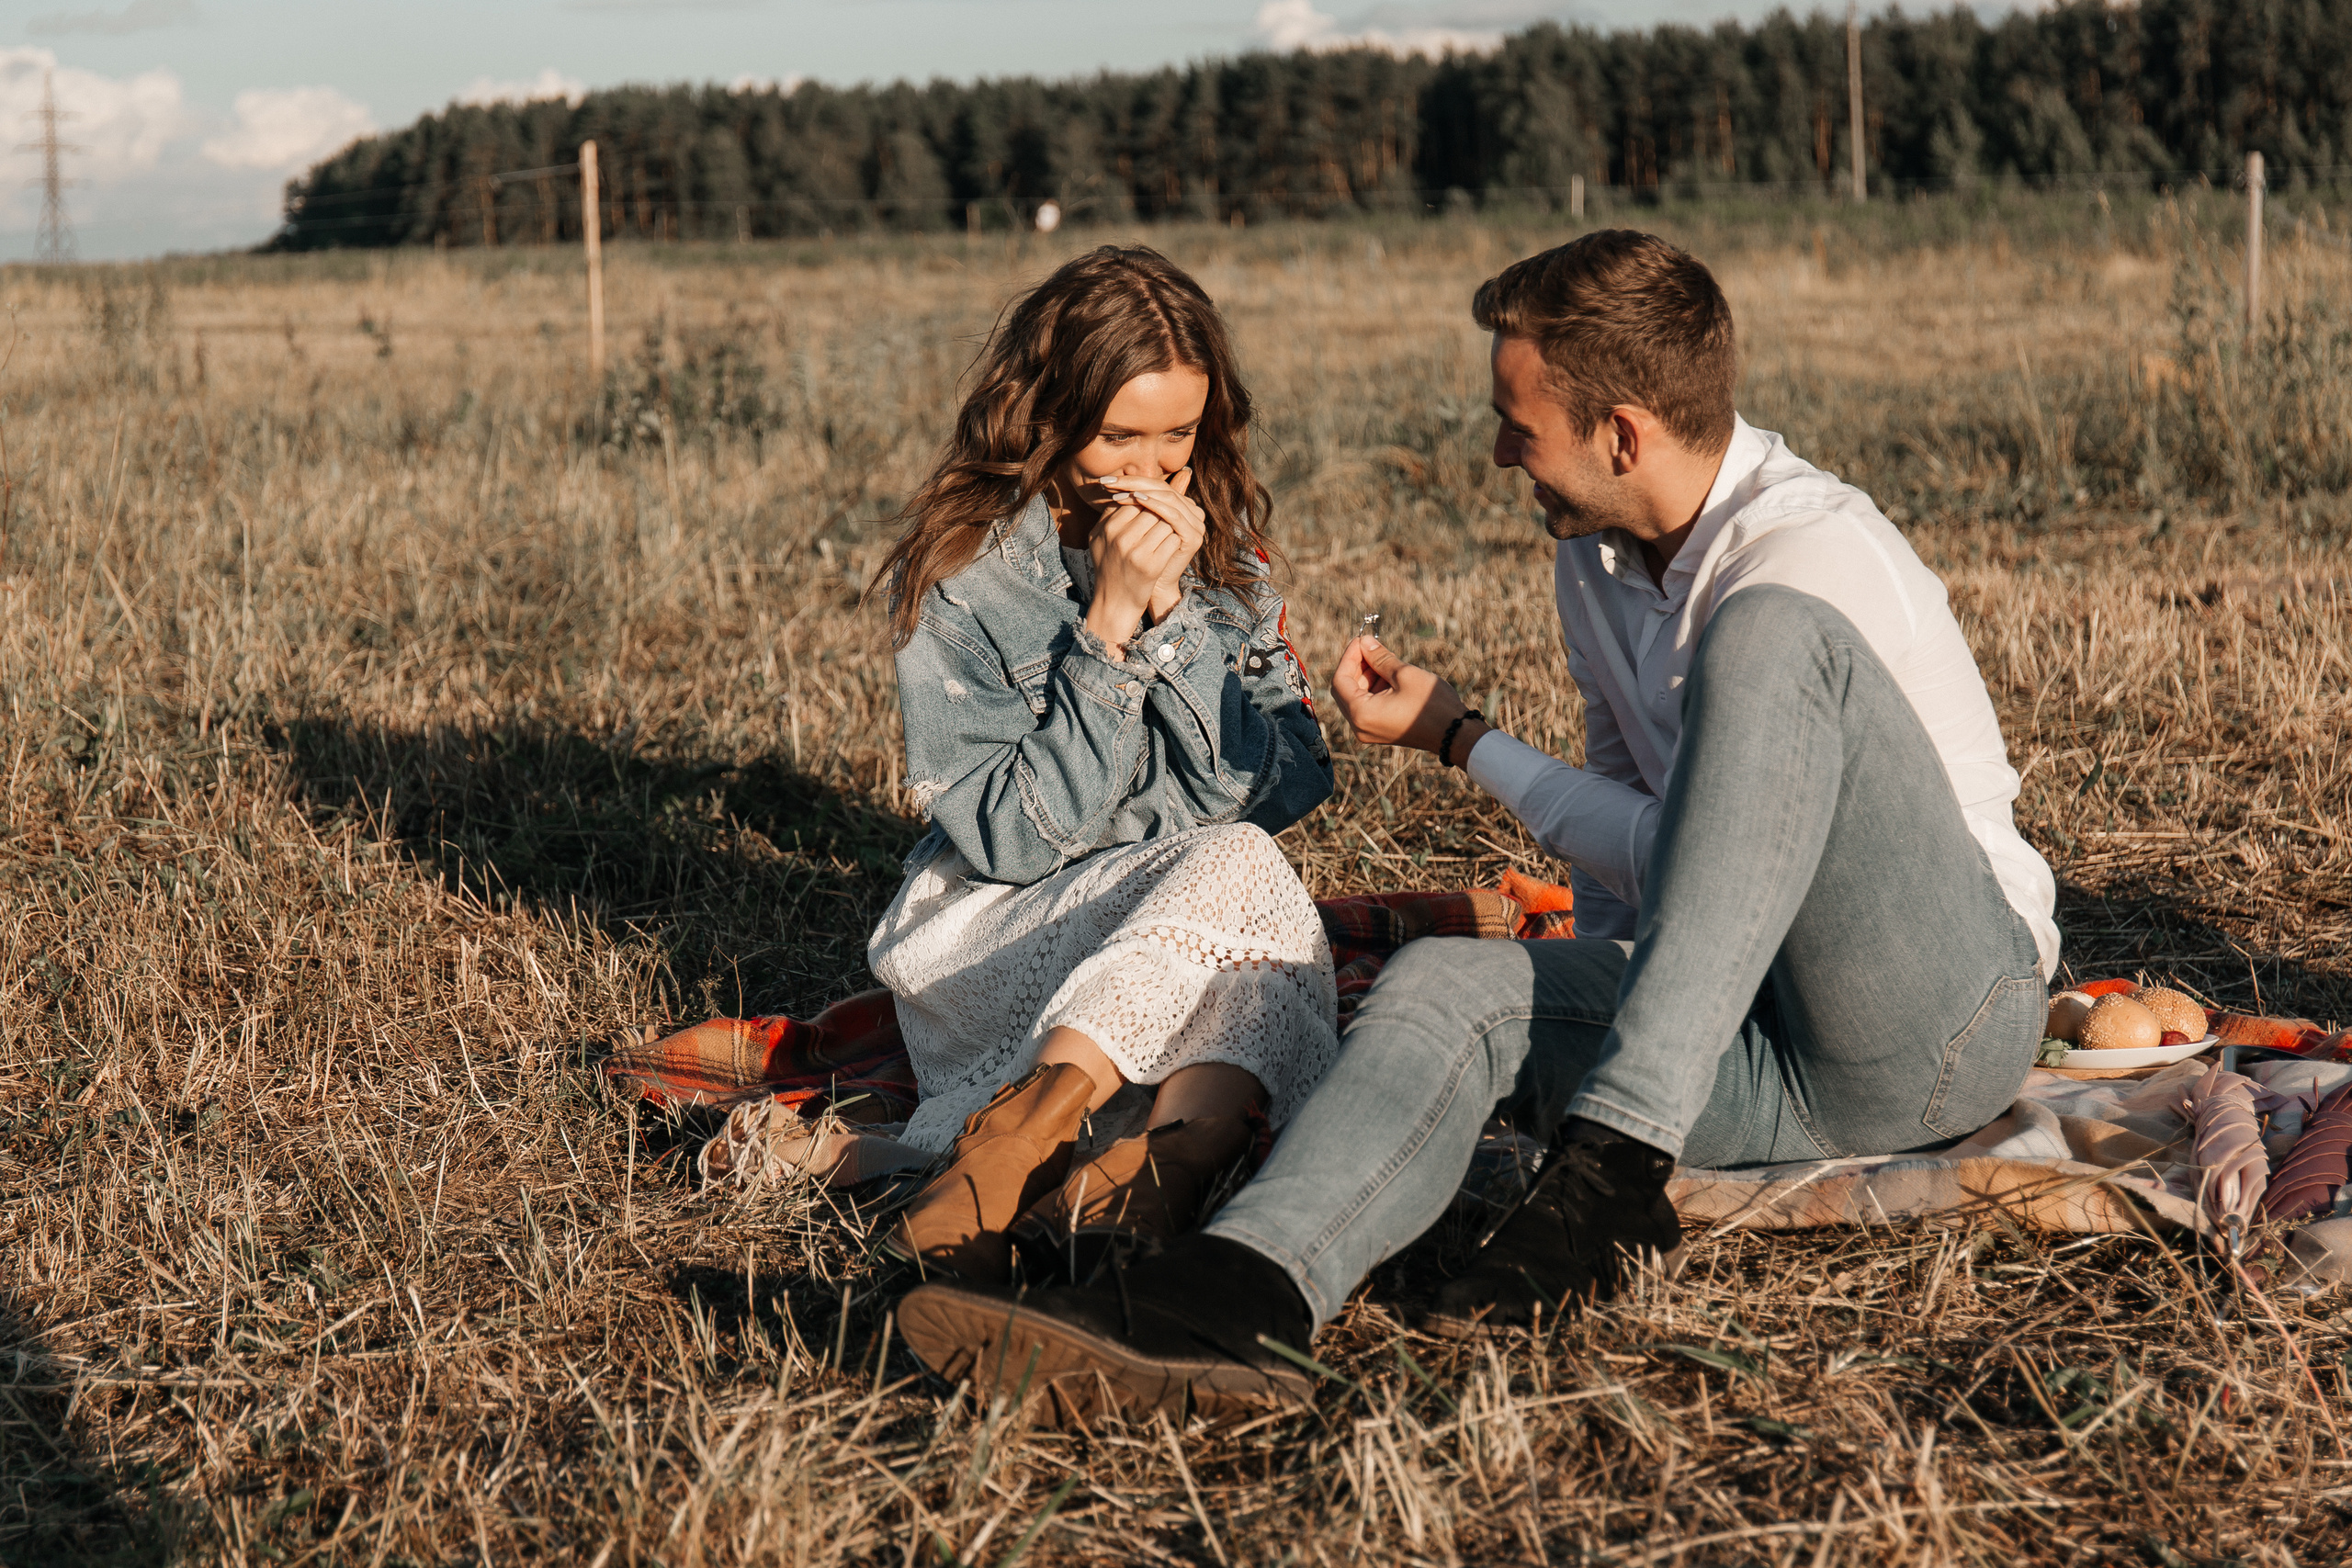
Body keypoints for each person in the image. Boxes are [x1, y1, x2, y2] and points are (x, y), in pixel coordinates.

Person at [893, 230, 2062, 1421]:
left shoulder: (1811, 550)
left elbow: (1735, 867)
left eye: (1520, 425)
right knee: (1443, 981)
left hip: (1932, 1019)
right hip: (1741, 1050)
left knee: (1770, 629)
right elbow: (1642, 855)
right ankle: (1232, 1295)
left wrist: (1467, 744)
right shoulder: (1595, 559)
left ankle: (1609, 1179)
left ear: (1620, 435)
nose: (1499, 451)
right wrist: (1564, 953)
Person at [840, 244, 1337, 1288]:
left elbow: (1290, 780)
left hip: (1162, 918)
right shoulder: (967, 575)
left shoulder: (1224, 559)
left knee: (1251, 943)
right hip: (988, 937)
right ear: (1049, 419)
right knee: (1248, 890)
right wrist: (1110, 628)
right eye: (1118, 436)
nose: (1152, 470)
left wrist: (1178, 622)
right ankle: (1045, 1161)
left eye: (1178, 436)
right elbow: (1015, 841)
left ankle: (1118, 1193)